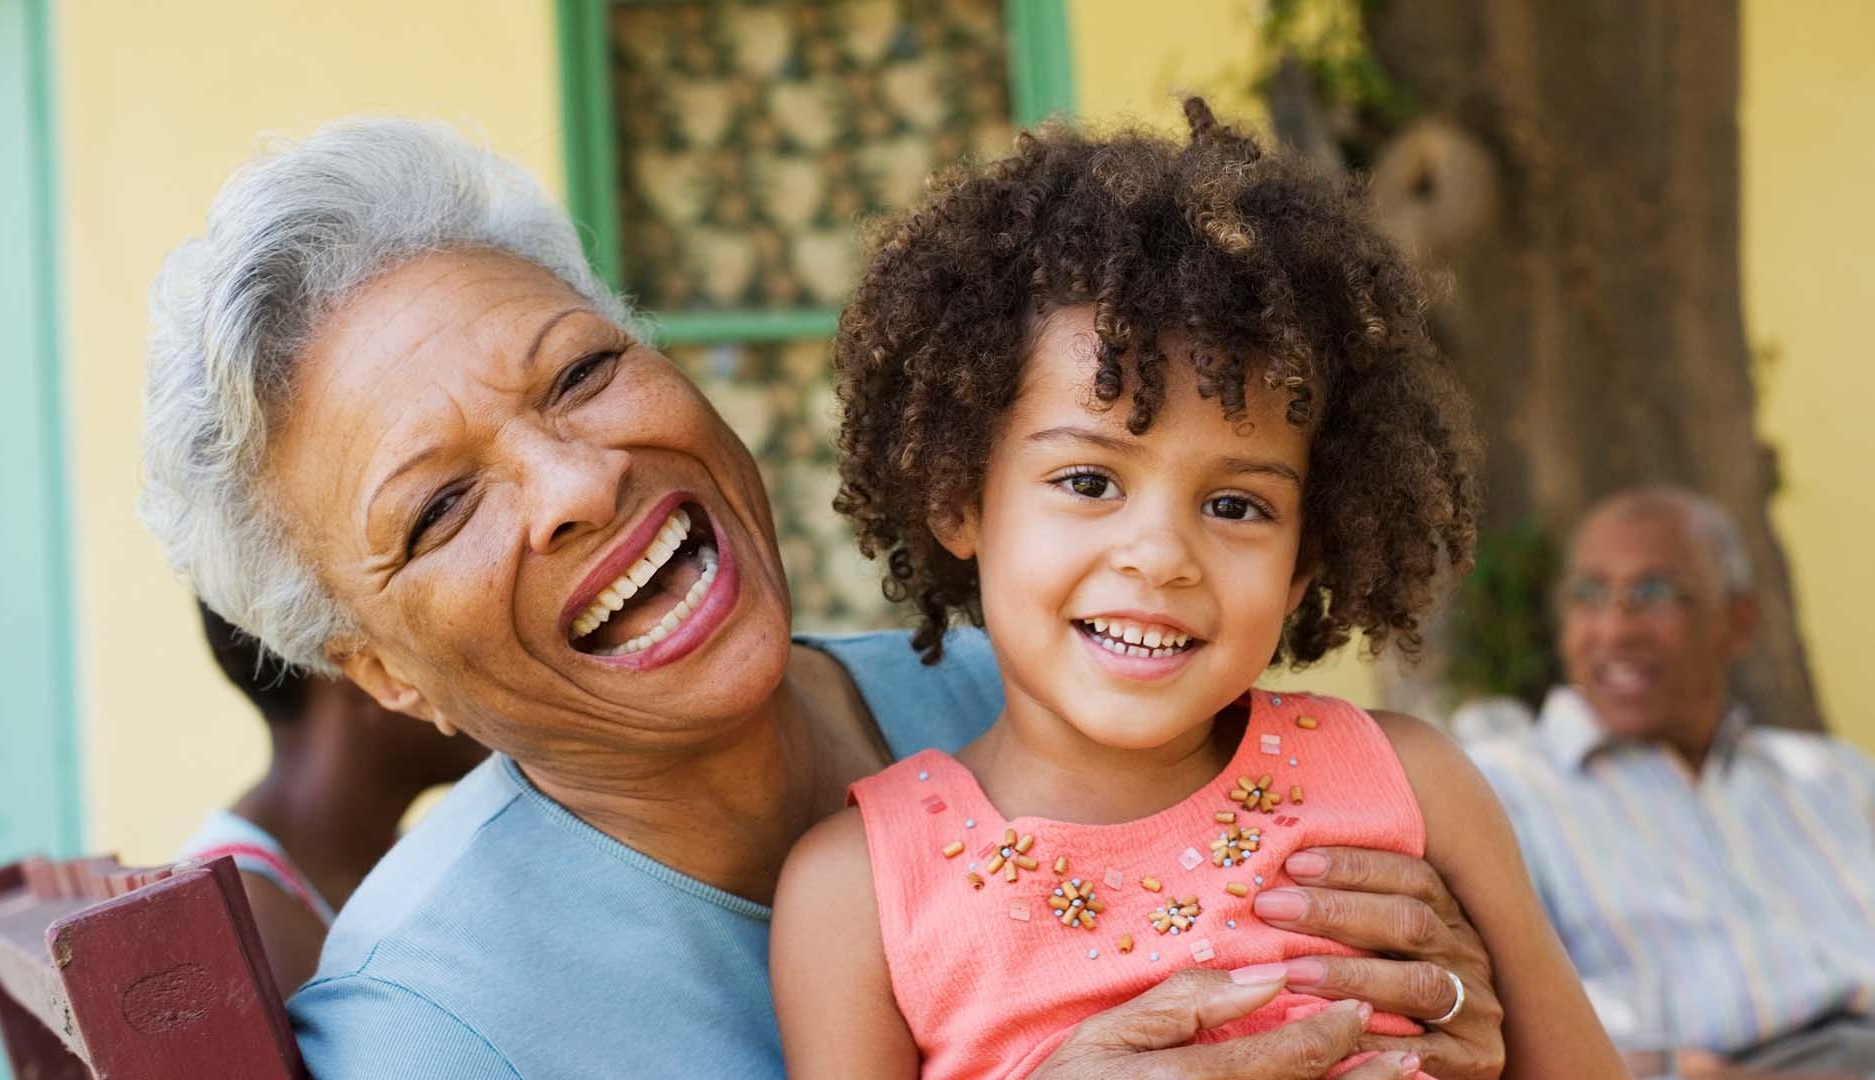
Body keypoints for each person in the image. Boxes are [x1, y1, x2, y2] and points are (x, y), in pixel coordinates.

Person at [140, 115, 1510, 1079]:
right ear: (380, 670)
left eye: (580, 373)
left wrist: (1451, 1007)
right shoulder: (439, 1029)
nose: (569, 483)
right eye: (440, 509)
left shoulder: (1045, 693)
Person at [769, 99, 1625, 1080]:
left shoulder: (1414, 786)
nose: (1163, 556)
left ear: (1309, 550)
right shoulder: (856, 895)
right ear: (960, 499)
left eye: (1236, 505)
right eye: (1088, 482)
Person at [1468, 486, 1875, 1079]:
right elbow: (1492, 1023)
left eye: (1653, 593)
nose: (1616, 627)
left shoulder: (1837, 776)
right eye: (1590, 594)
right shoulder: (1502, 789)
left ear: (1738, 623)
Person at [179, 602, 486, 995]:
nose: (487, 677)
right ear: (362, 670)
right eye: (438, 640)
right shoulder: (245, 922)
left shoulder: (394, 863)